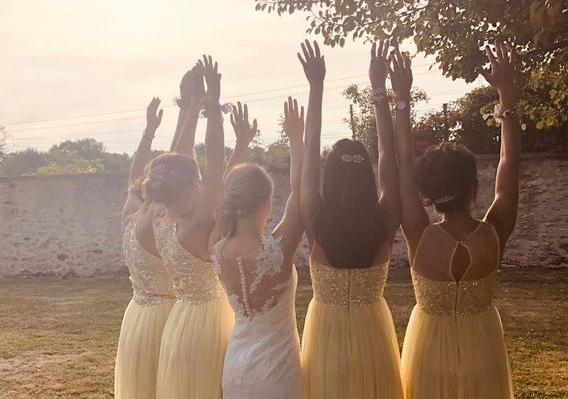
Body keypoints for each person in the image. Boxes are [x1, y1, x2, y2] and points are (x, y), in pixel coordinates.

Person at [395, 41, 518, 398]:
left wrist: (401, 98)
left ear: (428, 193)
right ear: (473, 188)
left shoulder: (418, 235)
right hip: (484, 350)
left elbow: (404, 161)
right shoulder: (495, 233)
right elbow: (509, 167)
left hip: (428, 352)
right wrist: (506, 96)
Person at [298, 40, 404, 399]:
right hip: (373, 334)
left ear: (330, 178)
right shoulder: (386, 218)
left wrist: (316, 88)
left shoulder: (314, 216)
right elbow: (390, 155)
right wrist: (379, 90)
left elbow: (311, 147)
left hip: (324, 336)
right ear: (367, 179)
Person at [115, 63, 203, 399]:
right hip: (167, 321)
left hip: (137, 317)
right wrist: (191, 110)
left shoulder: (130, 216)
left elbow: (136, 173)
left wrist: (149, 131)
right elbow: (178, 159)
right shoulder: (157, 217)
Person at [211, 97, 305, 398]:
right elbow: (301, 192)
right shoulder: (277, 251)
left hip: (235, 368)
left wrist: (240, 145)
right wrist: (295, 139)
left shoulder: (217, 248)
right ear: (265, 203)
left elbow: (221, 197)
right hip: (277, 373)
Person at [155, 55, 235, 399]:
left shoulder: (160, 217)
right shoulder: (197, 221)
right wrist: (212, 104)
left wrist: (190, 109)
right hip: (209, 324)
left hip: (179, 322)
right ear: (189, 187)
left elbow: (176, 159)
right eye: (197, 180)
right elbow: (215, 160)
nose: (203, 183)